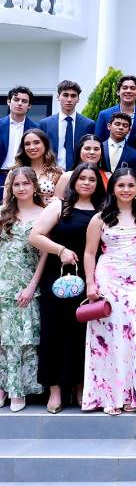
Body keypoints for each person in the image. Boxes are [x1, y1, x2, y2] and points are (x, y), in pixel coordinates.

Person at [29, 162, 105, 412]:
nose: (86, 183)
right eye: (82, 178)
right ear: (73, 182)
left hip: (90, 278)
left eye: (92, 179)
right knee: (54, 332)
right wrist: (60, 250)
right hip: (58, 277)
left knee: (81, 334)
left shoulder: (103, 209)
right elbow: (36, 235)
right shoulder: (60, 206)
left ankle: (80, 386)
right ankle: (55, 390)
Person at [81, 168, 136, 414]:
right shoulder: (100, 218)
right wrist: (91, 283)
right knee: (107, 338)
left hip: (134, 281)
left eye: (130, 185)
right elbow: (90, 253)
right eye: (121, 185)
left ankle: (132, 395)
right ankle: (108, 396)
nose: (125, 190)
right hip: (107, 279)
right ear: (112, 188)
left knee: (133, 336)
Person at [0, 167, 46, 411]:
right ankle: (2, 386)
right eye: (16, 184)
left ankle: (18, 389)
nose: (21, 188)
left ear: (34, 186)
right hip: (2, 281)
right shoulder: (3, 213)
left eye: (25, 184)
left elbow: (44, 257)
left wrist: (31, 286)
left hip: (26, 281)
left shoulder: (43, 215)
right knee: (2, 338)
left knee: (21, 338)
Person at [38, 80, 94, 172]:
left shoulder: (88, 124)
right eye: (65, 95)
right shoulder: (45, 124)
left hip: (80, 173)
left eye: (73, 96)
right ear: (58, 97)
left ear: (78, 99)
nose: (69, 99)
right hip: (51, 173)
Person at [94, 75, 136, 150]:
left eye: (132, 88)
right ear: (118, 92)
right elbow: (97, 142)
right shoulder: (105, 115)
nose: (128, 91)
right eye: (125, 88)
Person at [0, 85, 37, 188]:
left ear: (29, 106)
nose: (20, 103)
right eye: (16, 100)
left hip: (25, 176)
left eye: (24, 101)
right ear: (8, 102)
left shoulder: (36, 129)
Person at [14, 129, 62, 205]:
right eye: (27, 144)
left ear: (45, 145)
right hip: (20, 214)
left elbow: (63, 203)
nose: (32, 147)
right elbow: (6, 202)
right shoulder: (14, 172)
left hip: (48, 214)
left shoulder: (58, 173)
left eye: (36, 143)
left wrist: (59, 201)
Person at [101, 112, 136, 179]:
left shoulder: (135, 155)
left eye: (125, 125)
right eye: (117, 124)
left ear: (129, 130)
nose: (121, 127)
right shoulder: (99, 148)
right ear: (109, 126)